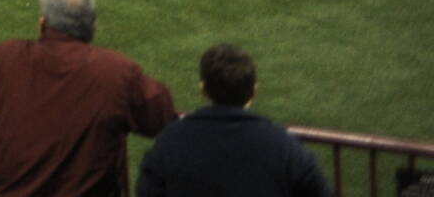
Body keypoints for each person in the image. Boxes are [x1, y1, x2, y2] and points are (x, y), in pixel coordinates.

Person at [0, 0, 177, 197]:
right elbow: (160, 116)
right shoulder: (117, 71)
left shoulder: (7, 57)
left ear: (43, 23)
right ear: (92, 28)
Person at [134, 44, 330, 197]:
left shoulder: (170, 141)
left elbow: (147, 190)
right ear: (253, 91)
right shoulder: (284, 146)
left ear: (203, 90)